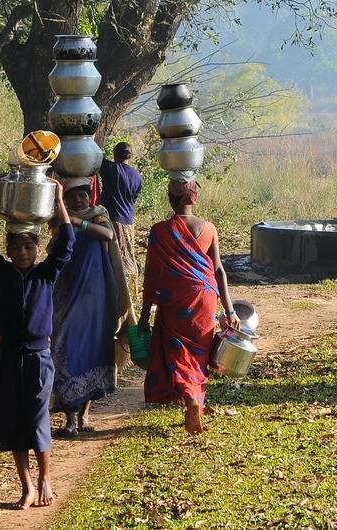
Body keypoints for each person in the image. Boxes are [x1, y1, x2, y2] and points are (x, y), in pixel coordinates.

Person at [0, 176, 73, 510]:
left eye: (28, 247)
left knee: (37, 418)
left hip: (38, 356)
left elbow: (68, 240)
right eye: (15, 247)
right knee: (14, 421)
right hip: (8, 356)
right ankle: (27, 486)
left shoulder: (46, 274)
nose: (21, 252)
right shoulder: (1, 273)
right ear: (8, 250)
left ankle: (45, 477)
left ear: (38, 250)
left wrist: (58, 199)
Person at [139, 180, 239, 435]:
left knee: (177, 353)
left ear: (171, 200)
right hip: (204, 299)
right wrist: (230, 310)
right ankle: (194, 397)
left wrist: (143, 315)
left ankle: (190, 398)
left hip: (175, 300)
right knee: (198, 353)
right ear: (194, 199)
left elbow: (152, 274)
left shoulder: (160, 231)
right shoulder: (209, 228)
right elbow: (218, 270)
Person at [49, 176, 121, 437]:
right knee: (64, 347)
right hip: (67, 293)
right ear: (65, 199)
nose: (79, 200)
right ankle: (68, 416)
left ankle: (85, 414)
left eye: (82, 195)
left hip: (95, 293)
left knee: (93, 347)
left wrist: (80, 221)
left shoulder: (98, 215)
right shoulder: (58, 220)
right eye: (73, 196)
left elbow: (108, 234)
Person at [99, 142, 143, 280]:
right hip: (128, 222)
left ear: (114, 154)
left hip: (112, 220)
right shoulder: (137, 176)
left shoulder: (111, 169)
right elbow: (134, 198)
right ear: (130, 156)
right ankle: (130, 283)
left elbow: (95, 159)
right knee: (126, 254)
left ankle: (115, 285)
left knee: (112, 256)